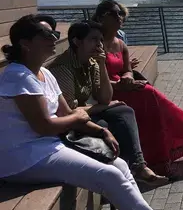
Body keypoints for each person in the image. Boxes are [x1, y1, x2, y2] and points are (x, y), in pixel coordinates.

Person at [0, 15, 183, 210]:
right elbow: (45, 125)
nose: (55, 38)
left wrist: (101, 131)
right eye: (47, 35)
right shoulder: (18, 76)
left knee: (120, 164)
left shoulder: (44, 73)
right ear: (25, 43)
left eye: (55, 34)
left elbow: (65, 113)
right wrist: (78, 119)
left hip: (48, 146)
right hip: (22, 157)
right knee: (107, 174)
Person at [92, 0, 183, 177]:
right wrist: (120, 84)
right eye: (113, 14)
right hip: (105, 90)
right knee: (150, 96)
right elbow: (92, 77)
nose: (119, 17)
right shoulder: (94, 42)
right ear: (101, 17)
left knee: (149, 96)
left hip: (124, 87)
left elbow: (127, 70)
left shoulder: (120, 43)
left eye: (120, 14)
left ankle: (170, 147)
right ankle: (163, 154)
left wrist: (127, 78)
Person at [48, 19, 168, 187]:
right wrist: (104, 107)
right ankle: (120, 179)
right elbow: (68, 112)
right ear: (76, 41)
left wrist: (102, 64)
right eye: (94, 39)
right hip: (65, 122)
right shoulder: (62, 69)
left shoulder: (92, 62)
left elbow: (104, 97)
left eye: (100, 40)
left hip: (84, 112)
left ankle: (138, 167)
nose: (99, 44)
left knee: (125, 111)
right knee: (106, 122)